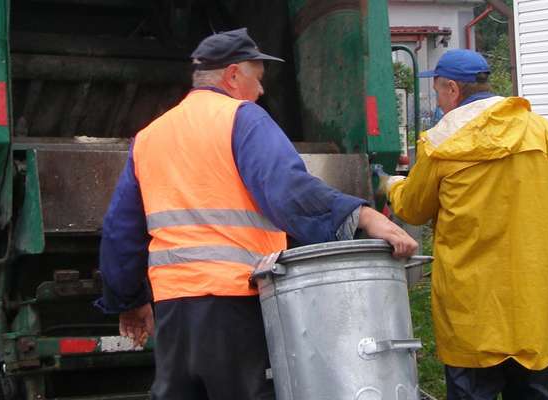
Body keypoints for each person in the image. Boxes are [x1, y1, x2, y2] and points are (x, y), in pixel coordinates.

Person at [96, 28, 418, 400]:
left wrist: (129, 301)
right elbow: (288, 190)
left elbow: (120, 231)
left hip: (172, 308)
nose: (261, 92)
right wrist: (363, 216)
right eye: (257, 80)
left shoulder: (149, 136)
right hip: (235, 303)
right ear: (233, 76)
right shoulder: (242, 118)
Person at [377, 49, 548, 400]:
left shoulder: (440, 143)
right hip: (531, 312)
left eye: (437, 92)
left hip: (470, 316)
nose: (438, 101)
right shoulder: (541, 132)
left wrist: (389, 185)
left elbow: (414, 208)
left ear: (452, 88)